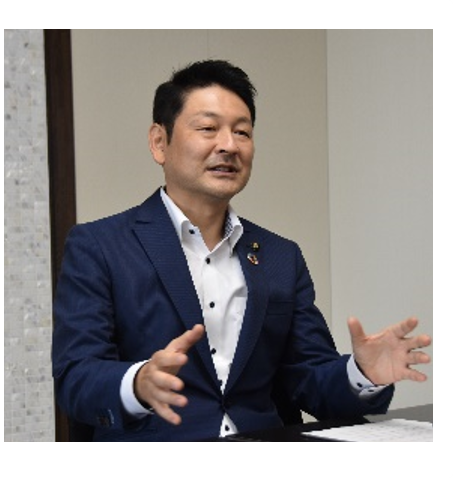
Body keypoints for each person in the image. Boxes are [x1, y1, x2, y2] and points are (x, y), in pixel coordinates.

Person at [52, 59, 431, 441]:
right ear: (159, 142)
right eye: (208, 128)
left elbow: (311, 380)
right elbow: (76, 376)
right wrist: (138, 383)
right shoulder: (99, 246)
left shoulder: (281, 257)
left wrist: (363, 374)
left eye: (242, 132)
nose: (229, 145)